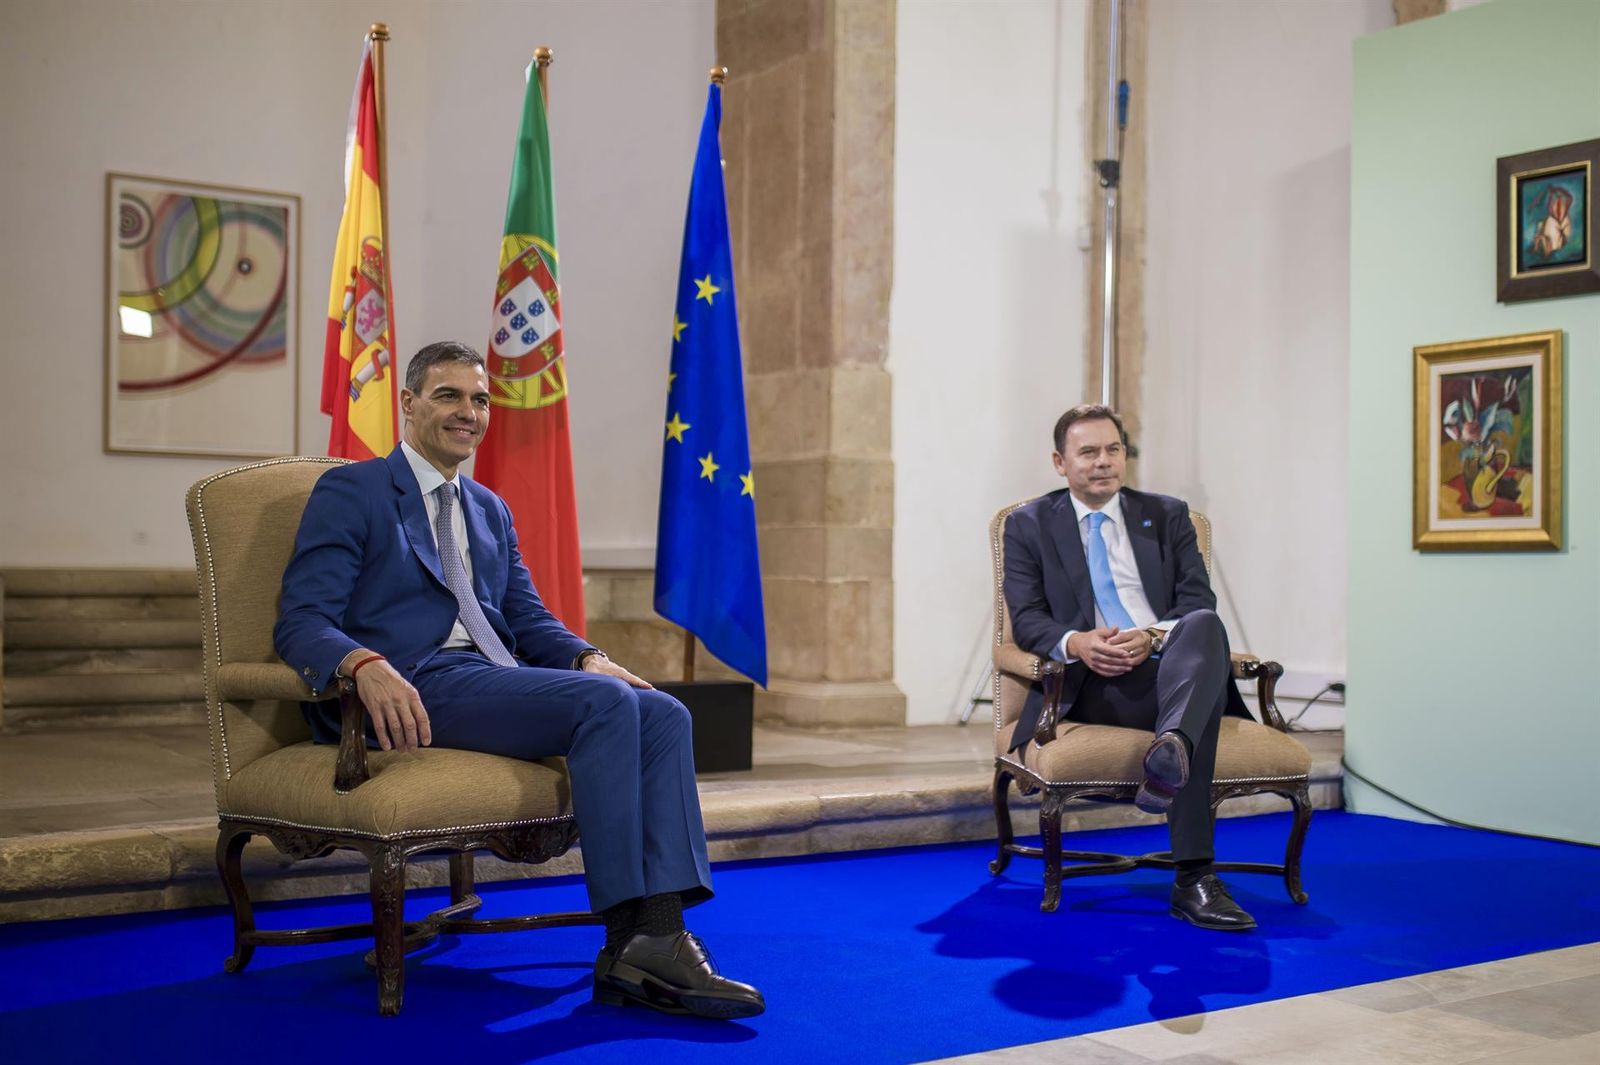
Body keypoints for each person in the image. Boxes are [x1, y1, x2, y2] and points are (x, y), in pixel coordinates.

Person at [274, 340, 764, 1017]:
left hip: (487, 677)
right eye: (448, 396)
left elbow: (529, 620)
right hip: (411, 686)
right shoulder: (353, 491)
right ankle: (631, 938)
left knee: (663, 712)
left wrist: (589, 658)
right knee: (603, 708)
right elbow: (300, 619)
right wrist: (361, 663)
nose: (467, 412)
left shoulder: (489, 509)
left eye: (479, 399)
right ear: (409, 404)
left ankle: (660, 932)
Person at [1002, 403, 1257, 931]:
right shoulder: (1028, 525)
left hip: (1168, 669)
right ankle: (1195, 878)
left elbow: (1194, 600)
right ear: (1060, 461)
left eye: (1113, 449)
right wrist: (1078, 643)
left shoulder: (1167, 515)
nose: (1103, 462)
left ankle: (1171, 753)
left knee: (1205, 623)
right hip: (1092, 684)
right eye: (1088, 452)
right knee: (1195, 712)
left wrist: (1152, 635)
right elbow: (1026, 618)